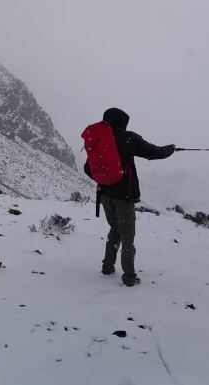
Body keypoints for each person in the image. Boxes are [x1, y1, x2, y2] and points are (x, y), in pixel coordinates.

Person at [84, 108, 175, 286]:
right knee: (127, 235)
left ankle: (107, 266)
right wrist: (170, 149)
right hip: (124, 197)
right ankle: (129, 276)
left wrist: (105, 179)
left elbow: (88, 169)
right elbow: (154, 152)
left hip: (104, 195)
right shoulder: (128, 138)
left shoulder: (98, 139)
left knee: (115, 229)